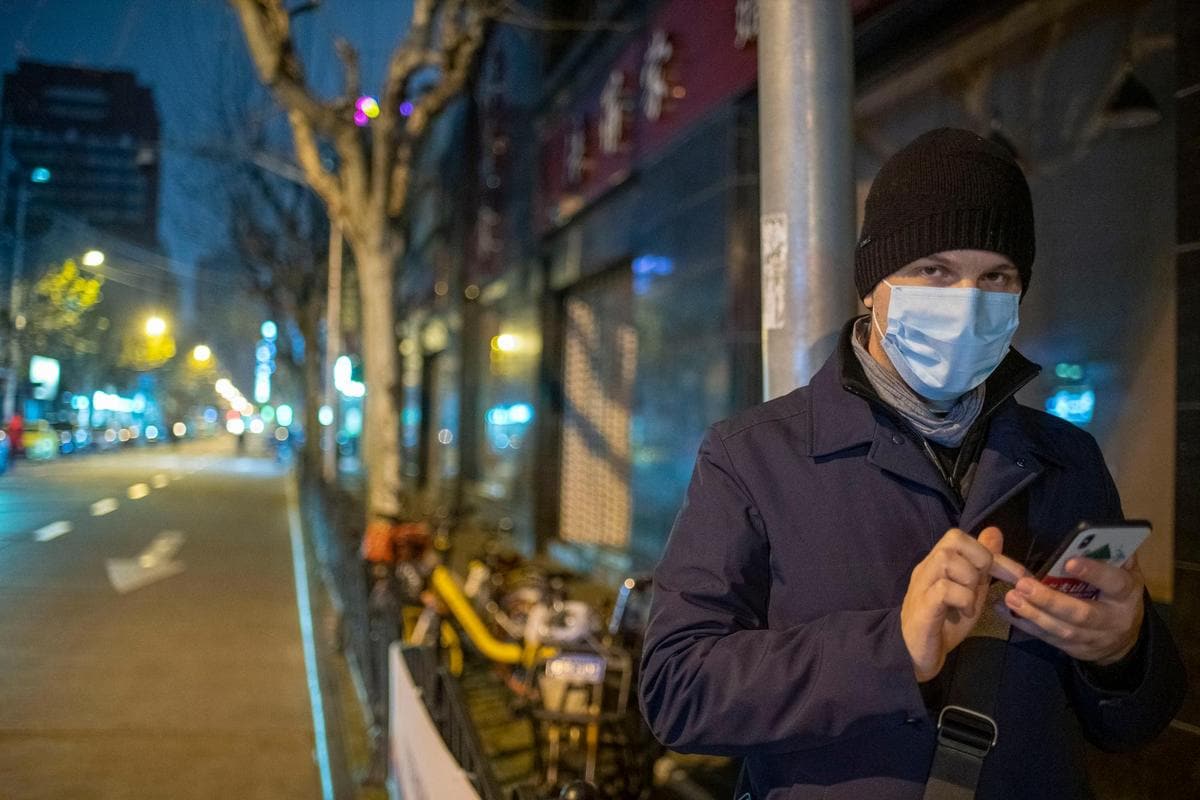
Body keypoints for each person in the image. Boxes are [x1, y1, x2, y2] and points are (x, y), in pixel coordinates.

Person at [638, 128, 1187, 799]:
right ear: (872, 287)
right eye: (933, 269)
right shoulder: (753, 455)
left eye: (997, 277)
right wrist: (890, 647)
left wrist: (1122, 651)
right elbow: (676, 689)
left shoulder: (1066, 458)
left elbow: (1135, 722)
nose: (966, 299)